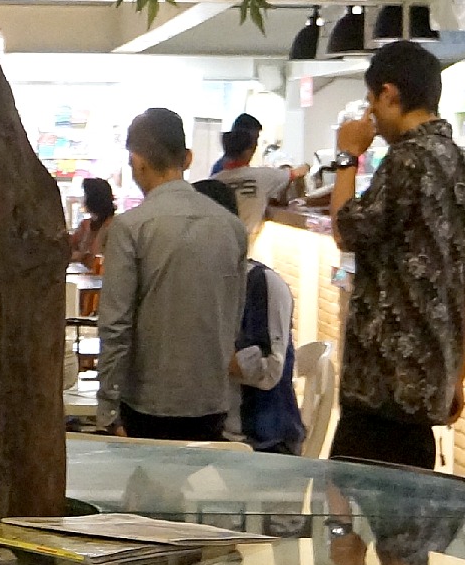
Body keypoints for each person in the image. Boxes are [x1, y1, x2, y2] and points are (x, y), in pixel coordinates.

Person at [325, 38, 465, 472]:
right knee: (409, 511)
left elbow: (344, 230)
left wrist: (347, 157)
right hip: (430, 391)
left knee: (344, 506)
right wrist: (456, 375)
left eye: (371, 101)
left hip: (380, 387)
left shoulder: (406, 161)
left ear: (389, 94)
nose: (370, 115)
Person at [95, 108, 248, 440]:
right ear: (187, 158)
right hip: (212, 402)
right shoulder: (232, 227)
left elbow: (115, 325)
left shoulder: (130, 227)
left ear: (137, 162)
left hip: (147, 404)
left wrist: (107, 407)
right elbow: (232, 317)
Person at [192, 180, 305, 453]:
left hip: (258, 443)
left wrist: (191, 352)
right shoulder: (193, 283)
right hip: (209, 435)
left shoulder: (259, 284)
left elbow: (267, 369)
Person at [209, 113, 296, 235]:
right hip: (241, 237)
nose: (256, 145)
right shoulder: (258, 176)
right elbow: (293, 174)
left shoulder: (217, 176)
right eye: (255, 139)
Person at [67, 176, 116, 271]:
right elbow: (70, 248)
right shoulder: (85, 224)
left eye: (84, 196)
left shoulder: (115, 226)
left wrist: (81, 256)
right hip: (85, 276)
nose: (82, 200)